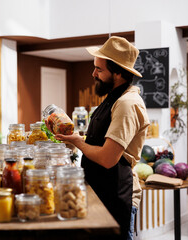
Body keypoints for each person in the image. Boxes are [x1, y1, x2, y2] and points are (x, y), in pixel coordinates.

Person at [54, 36, 149, 240]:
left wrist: (78, 141)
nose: (93, 73)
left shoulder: (127, 103)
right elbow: (97, 142)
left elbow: (108, 158)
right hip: (101, 191)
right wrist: (72, 137)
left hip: (116, 194)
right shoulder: (112, 99)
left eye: (99, 69)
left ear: (118, 73)